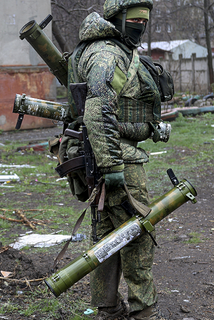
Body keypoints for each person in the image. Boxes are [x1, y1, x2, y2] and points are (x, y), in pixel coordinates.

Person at [66, 0, 168, 319]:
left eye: (144, 20)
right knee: (137, 234)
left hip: (103, 155)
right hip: (117, 161)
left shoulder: (103, 47)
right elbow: (97, 110)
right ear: (116, 18)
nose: (140, 25)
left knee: (108, 236)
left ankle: (107, 308)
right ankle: (143, 310)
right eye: (134, 19)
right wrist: (112, 168)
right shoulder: (108, 53)